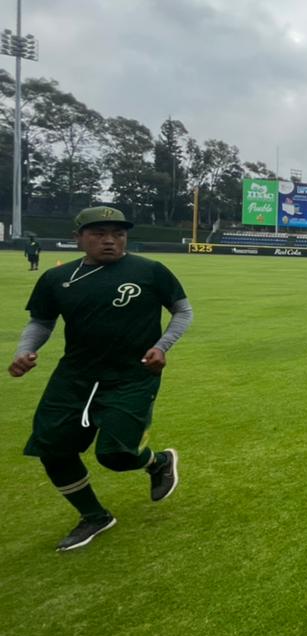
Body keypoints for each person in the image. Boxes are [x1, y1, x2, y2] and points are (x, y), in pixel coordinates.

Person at [8, 207, 192, 551]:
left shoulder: (149, 271)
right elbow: (41, 322)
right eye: (98, 233)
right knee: (52, 448)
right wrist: (25, 351)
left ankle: (159, 462)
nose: (110, 240)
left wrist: (161, 345)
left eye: (118, 234)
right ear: (78, 238)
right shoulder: (55, 279)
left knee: (116, 455)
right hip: (75, 376)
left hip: (133, 374)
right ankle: (94, 516)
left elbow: (182, 310)